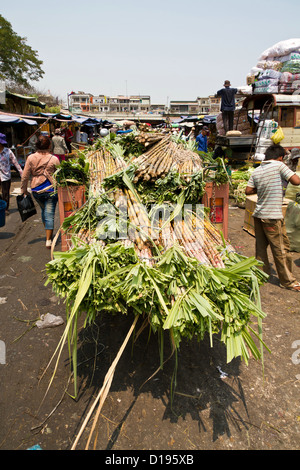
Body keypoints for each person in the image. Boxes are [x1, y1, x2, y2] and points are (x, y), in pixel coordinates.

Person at [245, 143, 300, 291]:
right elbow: (296, 181)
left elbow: (248, 190)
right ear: (280, 157)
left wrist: (262, 187)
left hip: (258, 215)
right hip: (272, 216)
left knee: (261, 248)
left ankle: (262, 274)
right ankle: (288, 281)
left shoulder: (257, 171)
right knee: (281, 249)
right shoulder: (278, 165)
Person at [21, 135, 60, 248]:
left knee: (44, 210)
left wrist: (24, 190)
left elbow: (25, 176)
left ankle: (48, 233)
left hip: (36, 190)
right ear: (49, 145)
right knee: (49, 214)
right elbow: (60, 174)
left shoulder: (30, 157)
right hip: (50, 190)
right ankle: (48, 240)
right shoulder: (54, 158)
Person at [0, 133, 23, 215]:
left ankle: (5, 209)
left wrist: (21, 173)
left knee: (5, 193)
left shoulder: (8, 151)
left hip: (5, 176)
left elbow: (15, 163)